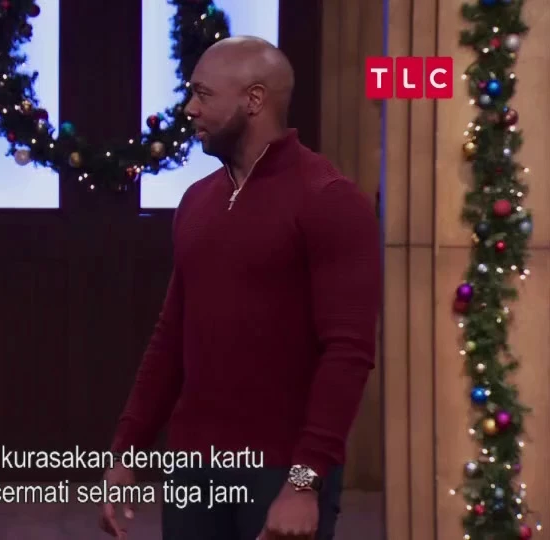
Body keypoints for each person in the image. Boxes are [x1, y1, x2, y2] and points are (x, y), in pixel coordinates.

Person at [99, 37, 381, 539]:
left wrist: (303, 483)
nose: (190, 108)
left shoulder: (329, 200)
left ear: (254, 99)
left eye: (203, 94)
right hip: (194, 468)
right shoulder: (197, 202)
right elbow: (171, 338)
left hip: (281, 472)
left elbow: (348, 354)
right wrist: (128, 450)